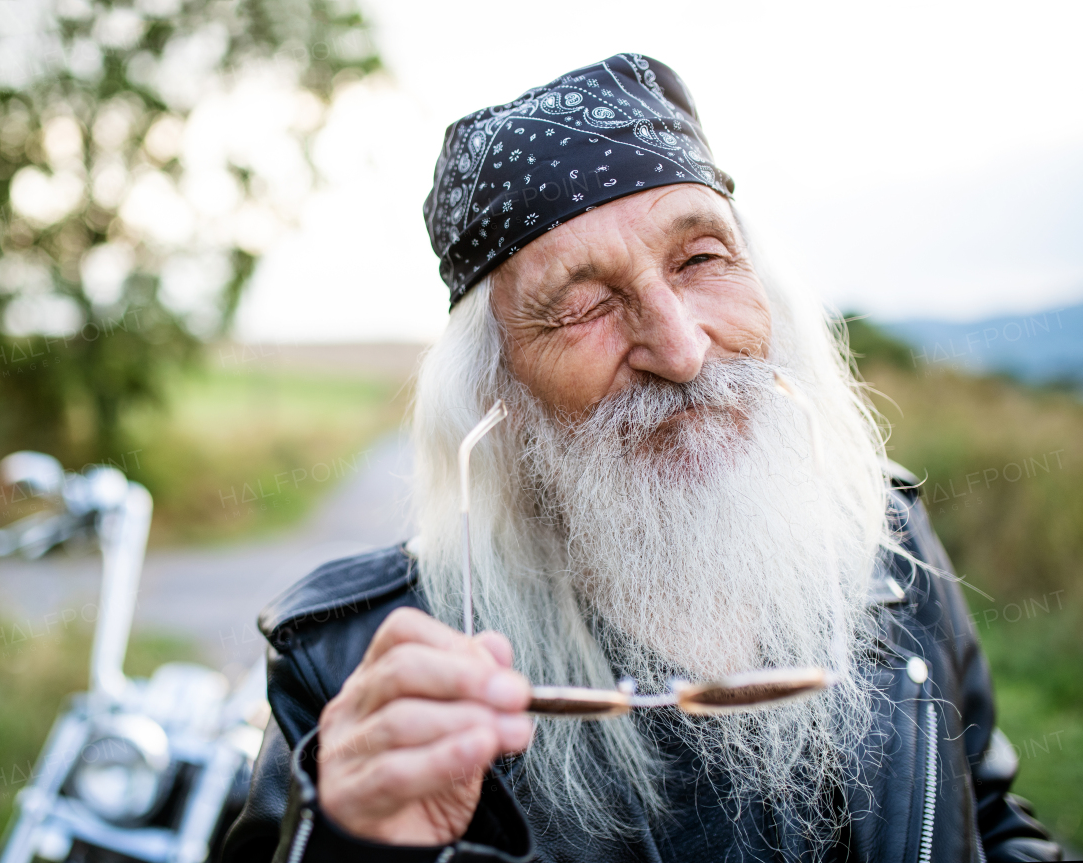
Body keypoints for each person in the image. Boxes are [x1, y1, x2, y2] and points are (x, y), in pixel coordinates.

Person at [220, 54, 1060, 862]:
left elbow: (985, 815)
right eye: (582, 307)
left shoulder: (882, 536)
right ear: (493, 392)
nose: (683, 348)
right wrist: (353, 842)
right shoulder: (355, 666)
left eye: (700, 260)